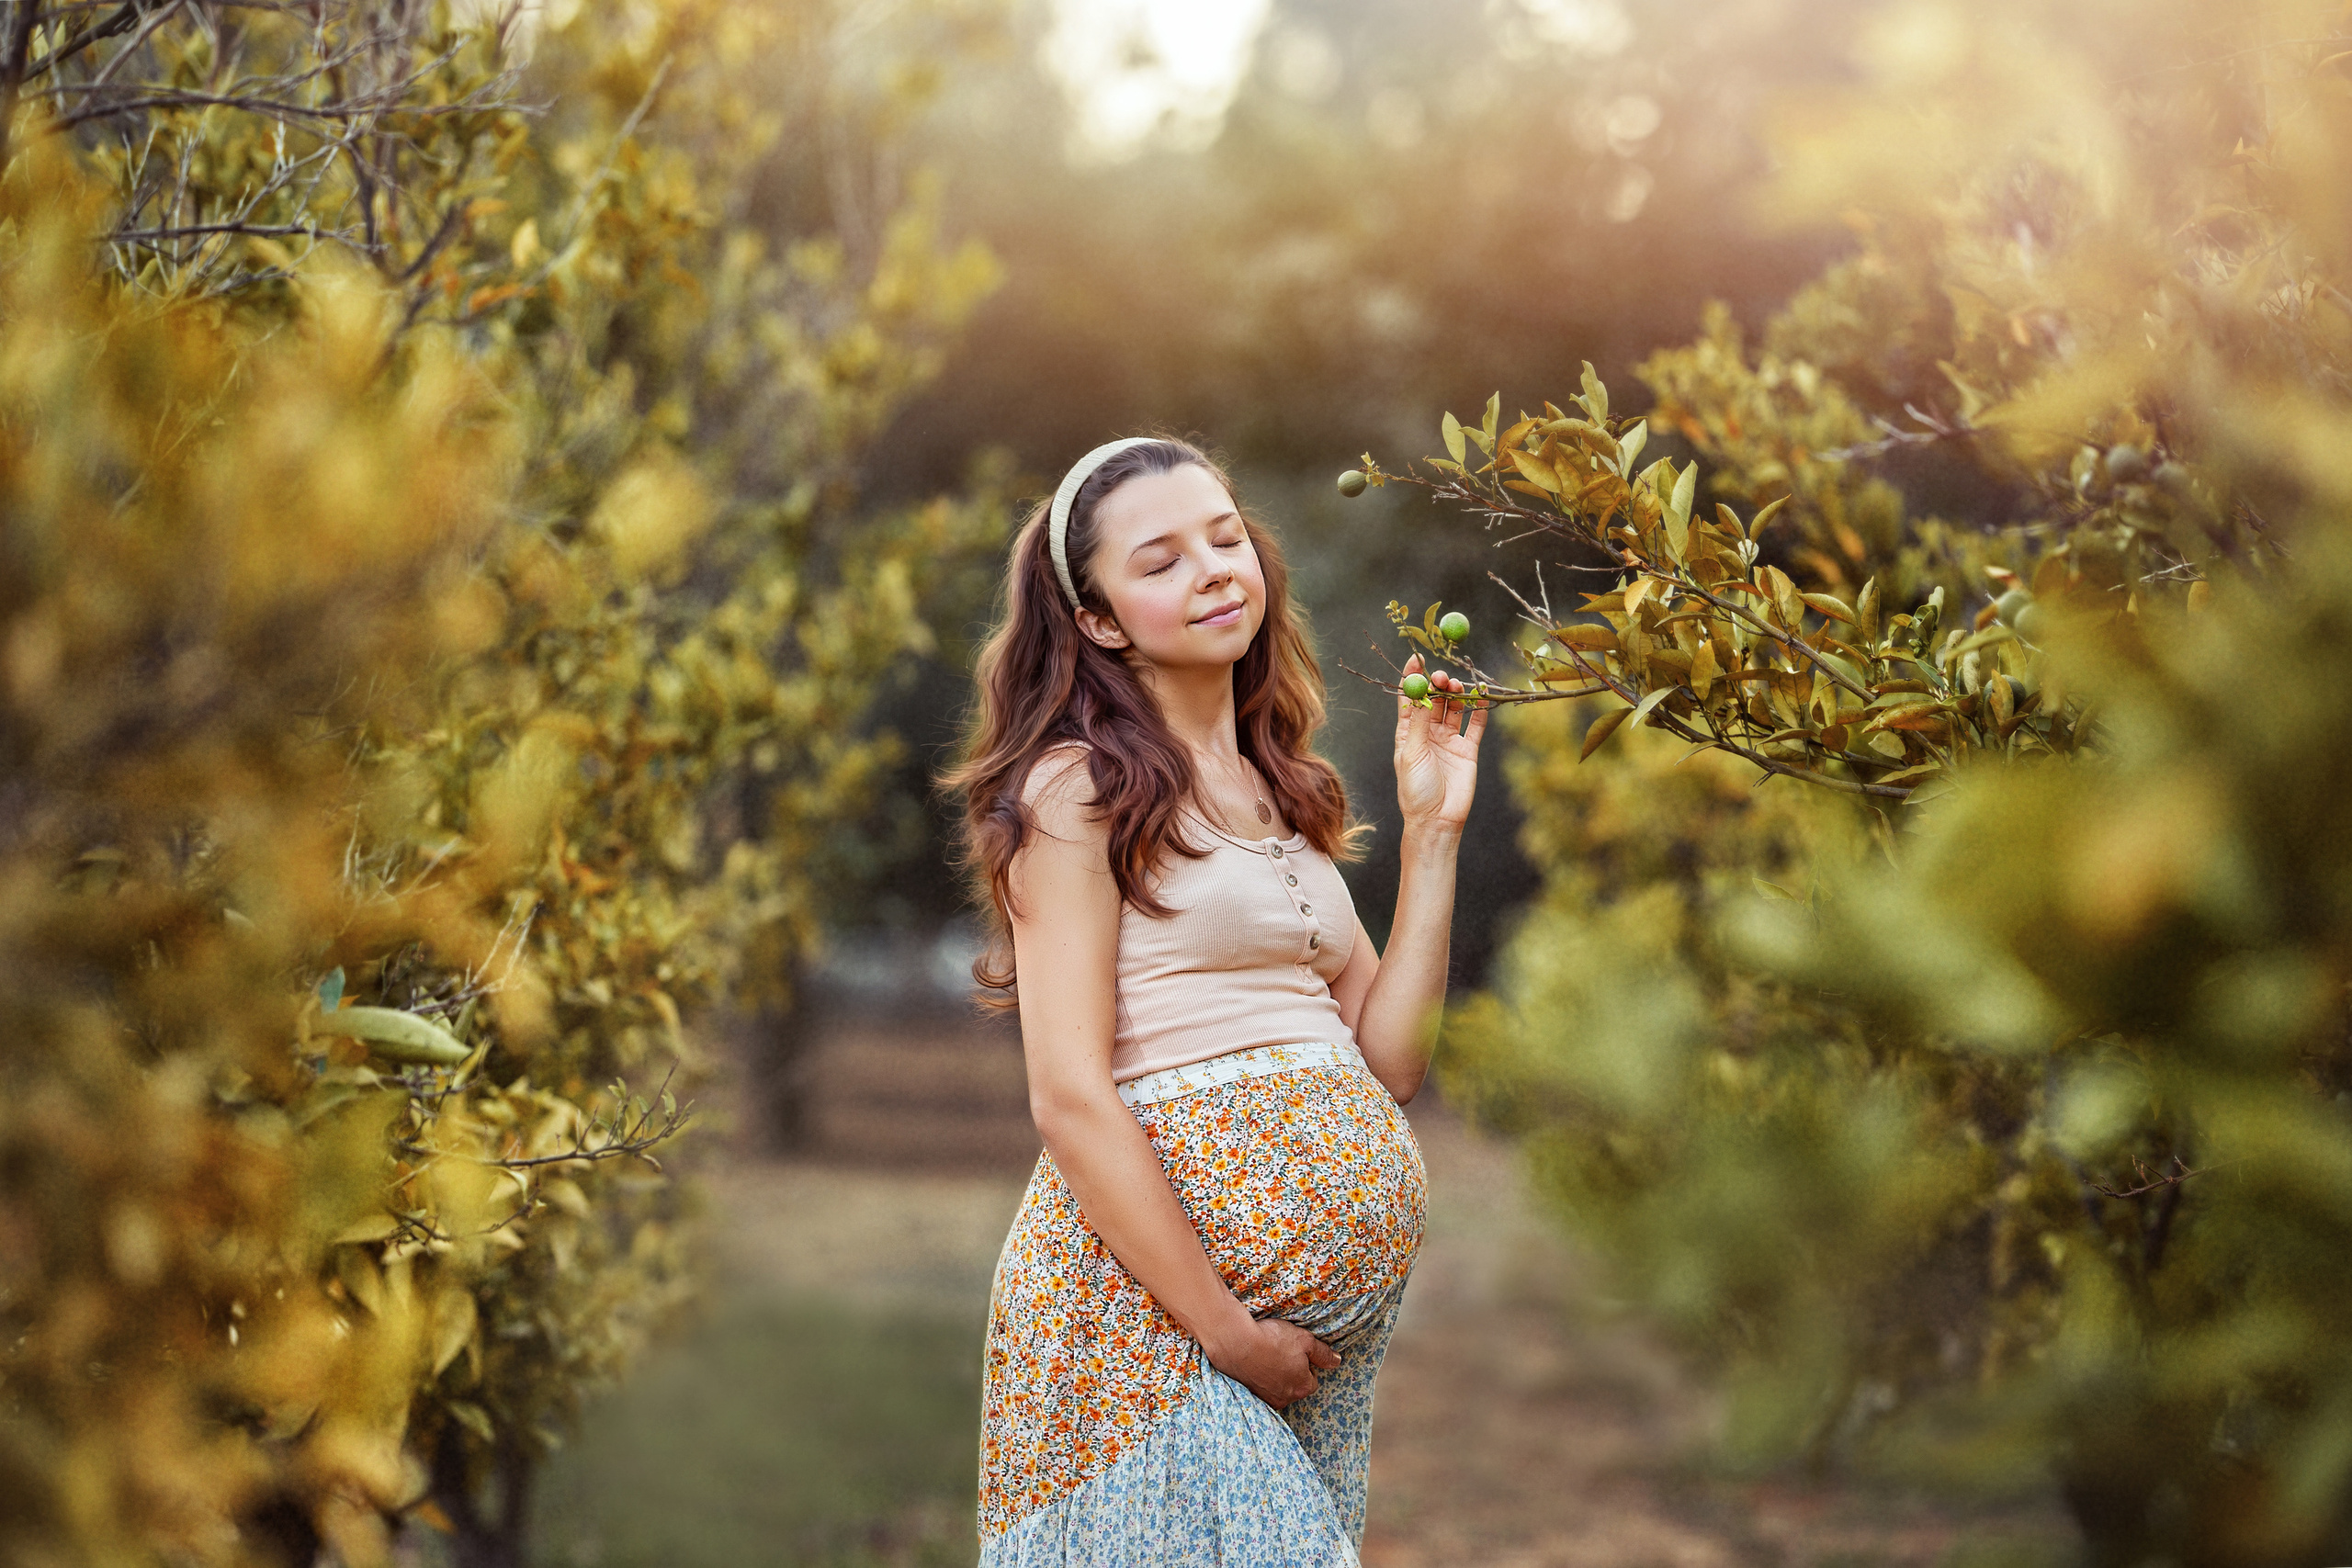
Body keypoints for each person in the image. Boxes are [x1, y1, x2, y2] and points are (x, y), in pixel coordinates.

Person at [944, 436, 1485, 1565]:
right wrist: (1230, 1334)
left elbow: (1386, 1060)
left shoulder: (1280, 791)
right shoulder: (1072, 792)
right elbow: (1069, 1099)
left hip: (1273, 1349)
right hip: (1136, 1332)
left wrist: (1432, 836)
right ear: (1097, 619)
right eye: (1162, 560)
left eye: (1226, 536)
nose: (1212, 569)